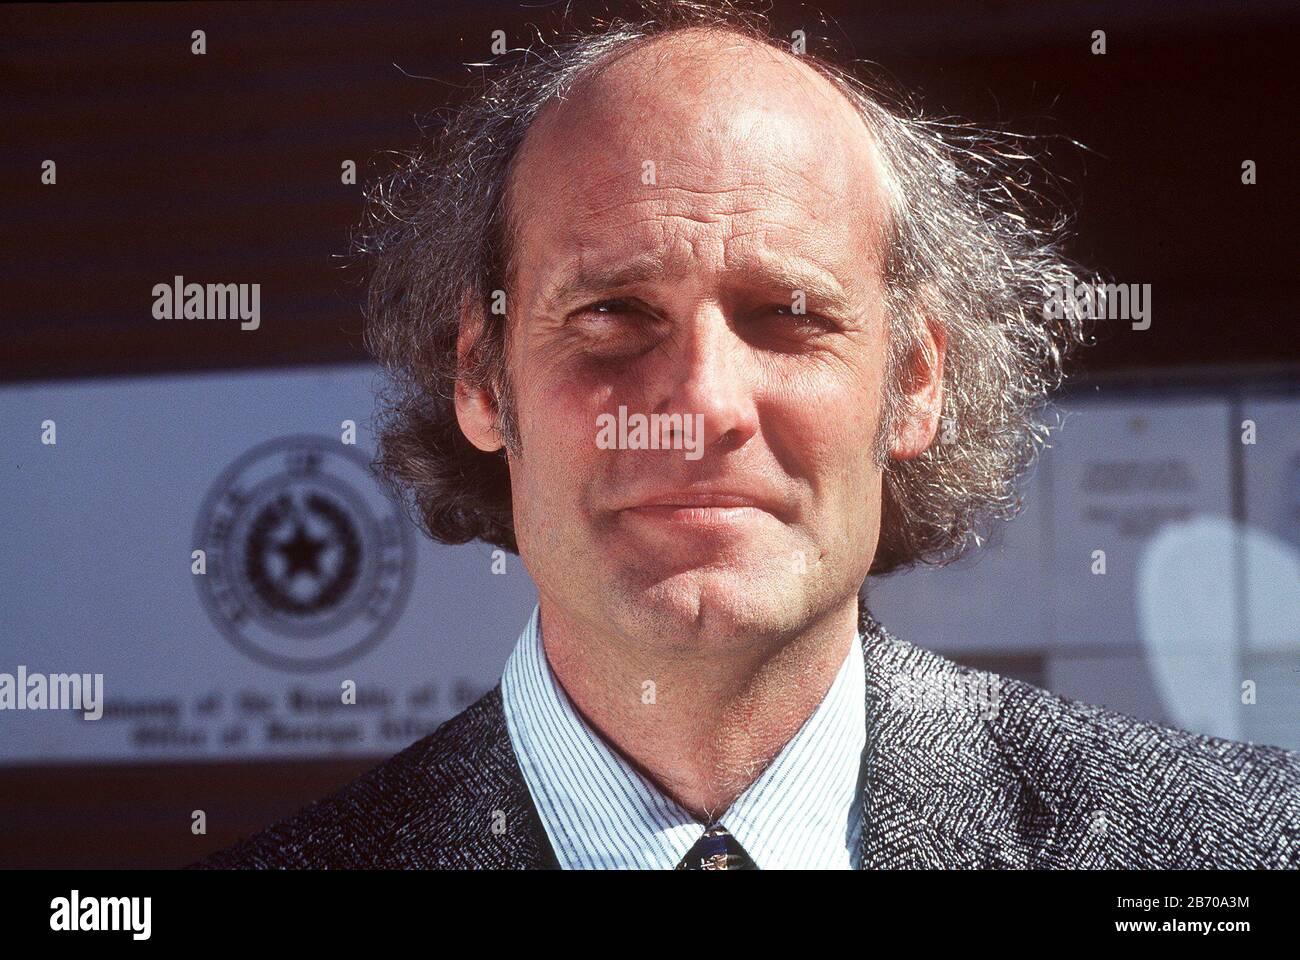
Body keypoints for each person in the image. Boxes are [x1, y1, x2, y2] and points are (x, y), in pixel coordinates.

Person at [193, 1, 1298, 870]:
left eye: (789, 315)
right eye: (613, 314)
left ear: (913, 383)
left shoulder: (1241, 852)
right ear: (481, 376)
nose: (700, 404)